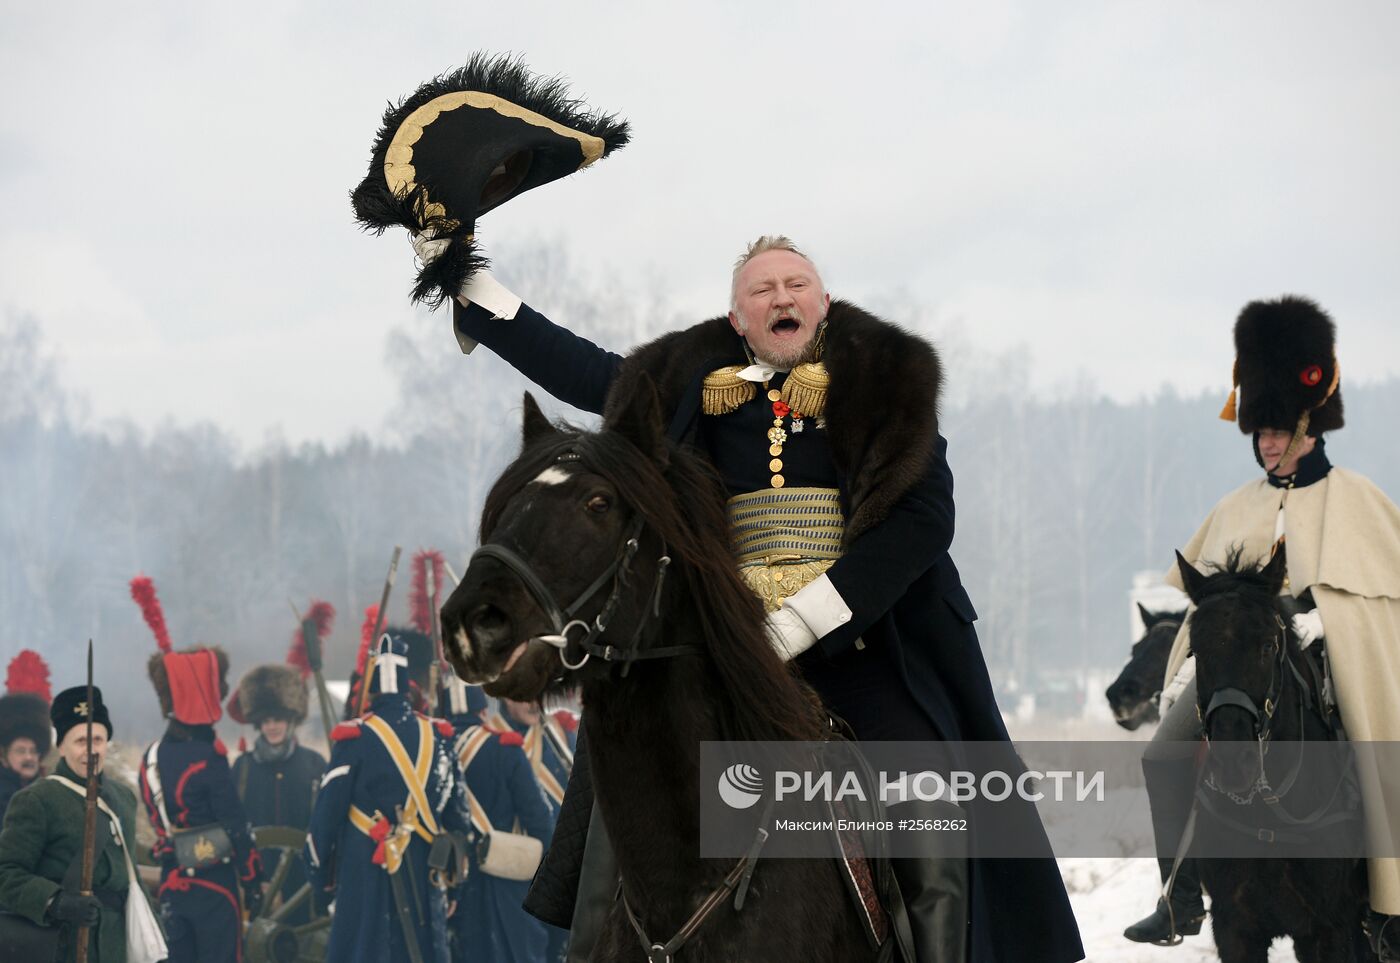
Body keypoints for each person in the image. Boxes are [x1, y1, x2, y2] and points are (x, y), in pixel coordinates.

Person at [432, 234, 1083, 962]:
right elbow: (585, 369)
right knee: (623, 783)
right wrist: (479, 297)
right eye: (762, 288)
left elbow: (923, 519)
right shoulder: (694, 389)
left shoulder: (883, 394)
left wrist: (809, 617)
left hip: (861, 651)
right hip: (728, 658)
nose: (782, 296)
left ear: (823, 305)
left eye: (797, 284)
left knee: (926, 797)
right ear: (737, 318)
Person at [1123, 296, 1400, 958]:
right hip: (1244, 667)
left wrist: (1324, 619)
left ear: (1311, 425)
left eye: (1278, 431)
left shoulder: (1360, 502)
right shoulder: (1236, 506)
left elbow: (1376, 620)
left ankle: (1387, 903)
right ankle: (1179, 893)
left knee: (1374, 737)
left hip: (1326, 660)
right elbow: (1206, 609)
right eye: (1260, 432)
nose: (1267, 444)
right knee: (1164, 749)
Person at [304, 630, 473, 963]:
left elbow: (324, 823)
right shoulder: (439, 737)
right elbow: (459, 821)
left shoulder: (353, 738)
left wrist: (320, 880)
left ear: (374, 688)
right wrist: (454, 887)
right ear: (409, 684)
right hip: (428, 881)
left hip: (365, 882)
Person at [131, 575, 265, 963]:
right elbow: (236, 826)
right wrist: (253, 881)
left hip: (172, 888)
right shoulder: (209, 759)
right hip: (215, 890)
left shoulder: (150, 756)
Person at [0, 685, 153, 962]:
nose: (91, 750)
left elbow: (133, 878)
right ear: (61, 747)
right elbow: (5, 874)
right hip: (64, 945)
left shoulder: (123, 798)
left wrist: (155, 940)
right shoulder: (36, 799)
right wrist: (53, 901)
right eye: (81, 741)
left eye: (98, 739)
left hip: (119, 947)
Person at [444, 678, 556, 963]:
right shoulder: (506, 749)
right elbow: (541, 822)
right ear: (484, 712)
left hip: (454, 880)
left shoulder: (436, 751)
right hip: (507, 882)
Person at [229, 662, 326, 922]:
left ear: (291, 720)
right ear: (258, 724)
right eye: (266, 720)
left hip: (303, 881)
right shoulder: (243, 767)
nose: (272, 726)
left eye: (278, 719)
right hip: (256, 878)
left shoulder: (314, 764)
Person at [0, 650, 52, 820]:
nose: (29, 757)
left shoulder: (51, 794)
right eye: (21, 751)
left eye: (33, 750)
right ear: (3, 756)